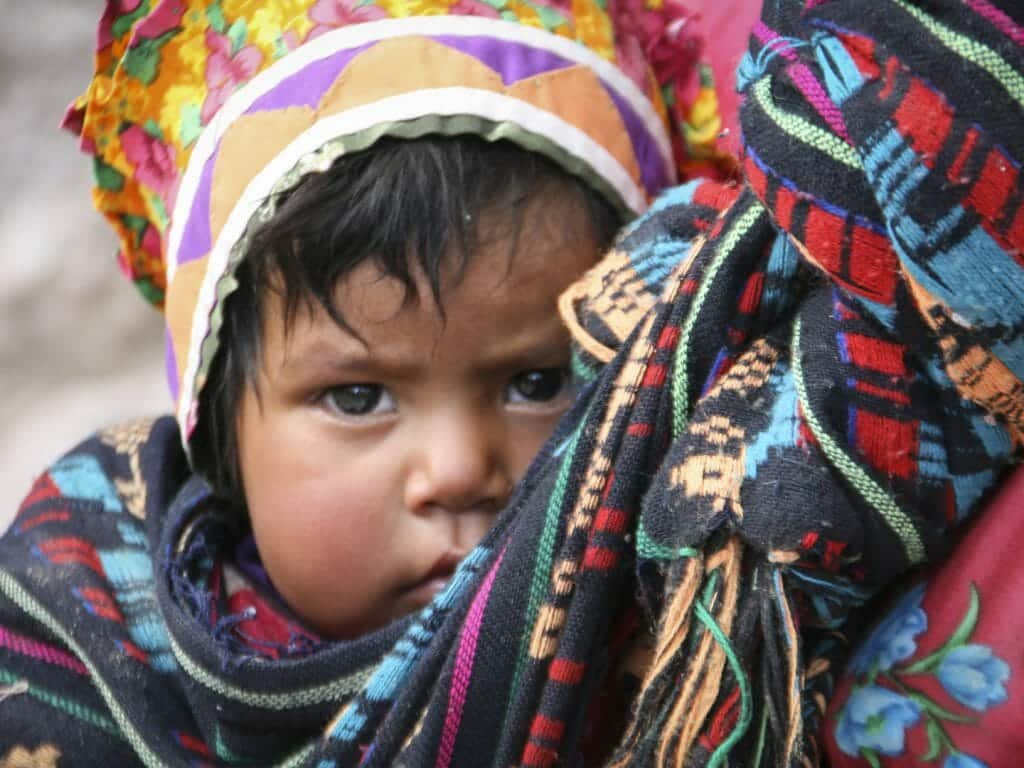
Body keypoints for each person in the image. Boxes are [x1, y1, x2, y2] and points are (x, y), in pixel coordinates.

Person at [0, 0, 727, 764]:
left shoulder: (710, 652)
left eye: (538, 381)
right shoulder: (84, 630)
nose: (456, 472)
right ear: (220, 438)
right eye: (357, 397)